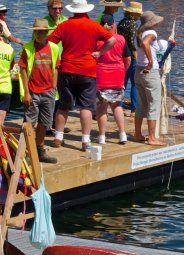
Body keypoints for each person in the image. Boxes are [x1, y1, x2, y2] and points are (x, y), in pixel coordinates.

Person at [48, 0, 116, 152]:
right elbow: (112, 39)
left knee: (64, 106)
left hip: (67, 69)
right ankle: (85, 141)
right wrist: (100, 52)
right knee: (86, 107)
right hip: (87, 70)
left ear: (73, 10)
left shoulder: (64, 25)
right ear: (87, 10)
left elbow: (50, 42)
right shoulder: (93, 25)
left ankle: (58, 137)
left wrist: (55, 60)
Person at [19, 19, 60, 163]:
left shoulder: (53, 48)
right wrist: (26, 92)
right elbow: (23, 70)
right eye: (36, 31)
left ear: (47, 33)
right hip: (33, 91)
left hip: (48, 91)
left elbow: (56, 66)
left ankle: (40, 150)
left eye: (42, 31)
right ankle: (26, 152)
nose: (39, 34)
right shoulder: (28, 48)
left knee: (44, 123)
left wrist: (54, 85)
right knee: (30, 123)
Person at [96, 14, 131, 145]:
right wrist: (123, 71)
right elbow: (128, 59)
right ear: (113, 25)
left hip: (101, 75)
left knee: (101, 107)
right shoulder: (121, 39)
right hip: (117, 75)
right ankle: (122, 135)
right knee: (117, 106)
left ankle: (102, 137)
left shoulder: (97, 40)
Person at [134, 11, 166, 146]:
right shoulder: (151, 33)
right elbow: (146, 44)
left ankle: (137, 134)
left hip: (138, 70)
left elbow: (140, 47)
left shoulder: (138, 34)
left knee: (141, 103)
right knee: (154, 104)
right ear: (152, 23)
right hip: (149, 71)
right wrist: (151, 62)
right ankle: (152, 137)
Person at [44, 0, 69, 136]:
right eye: (55, 8)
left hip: (64, 62)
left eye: (60, 8)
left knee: (63, 94)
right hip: (49, 63)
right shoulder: (44, 23)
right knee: (50, 94)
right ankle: (47, 125)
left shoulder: (66, 21)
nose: (58, 11)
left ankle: (57, 123)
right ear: (49, 9)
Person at [117, 1, 142, 117]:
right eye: (138, 15)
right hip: (131, 56)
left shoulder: (121, 23)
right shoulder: (132, 24)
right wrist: (135, 52)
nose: (139, 17)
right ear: (134, 14)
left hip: (121, 55)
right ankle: (134, 109)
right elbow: (132, 42)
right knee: (134, 83)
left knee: (122, 83)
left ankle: (119, 106)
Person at [0, 23, 14, 125]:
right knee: (0, 123)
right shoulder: (10, 49)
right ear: (1, 32)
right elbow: (11, 66)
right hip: (5, 86)